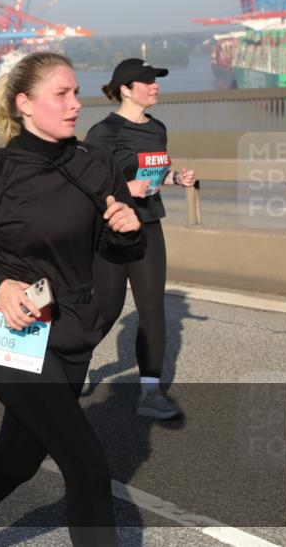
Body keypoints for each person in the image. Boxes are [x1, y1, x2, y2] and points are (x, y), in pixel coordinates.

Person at [0, 52, 145, 547]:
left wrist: (128, 230)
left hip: (73, 332)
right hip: (11, 335)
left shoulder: (94, 166)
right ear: (24, 103)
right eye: (61, 94)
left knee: (18, 459)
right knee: (86, 466)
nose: (75, 104)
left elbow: (113, 247)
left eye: (75, 92)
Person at [85, 58, 196, 420]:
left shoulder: (158, 128)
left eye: (156, 80)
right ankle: (71, 359)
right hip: (112, 229)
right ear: (125, 90)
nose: (155, 86)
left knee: (152, 309)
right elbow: (87, 186)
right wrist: (123, 189)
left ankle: (150, 394)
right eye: (147, 82)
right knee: (108, 309)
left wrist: (175, 178)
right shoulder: (102, 134)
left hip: (148, 226)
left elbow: (153, 173)